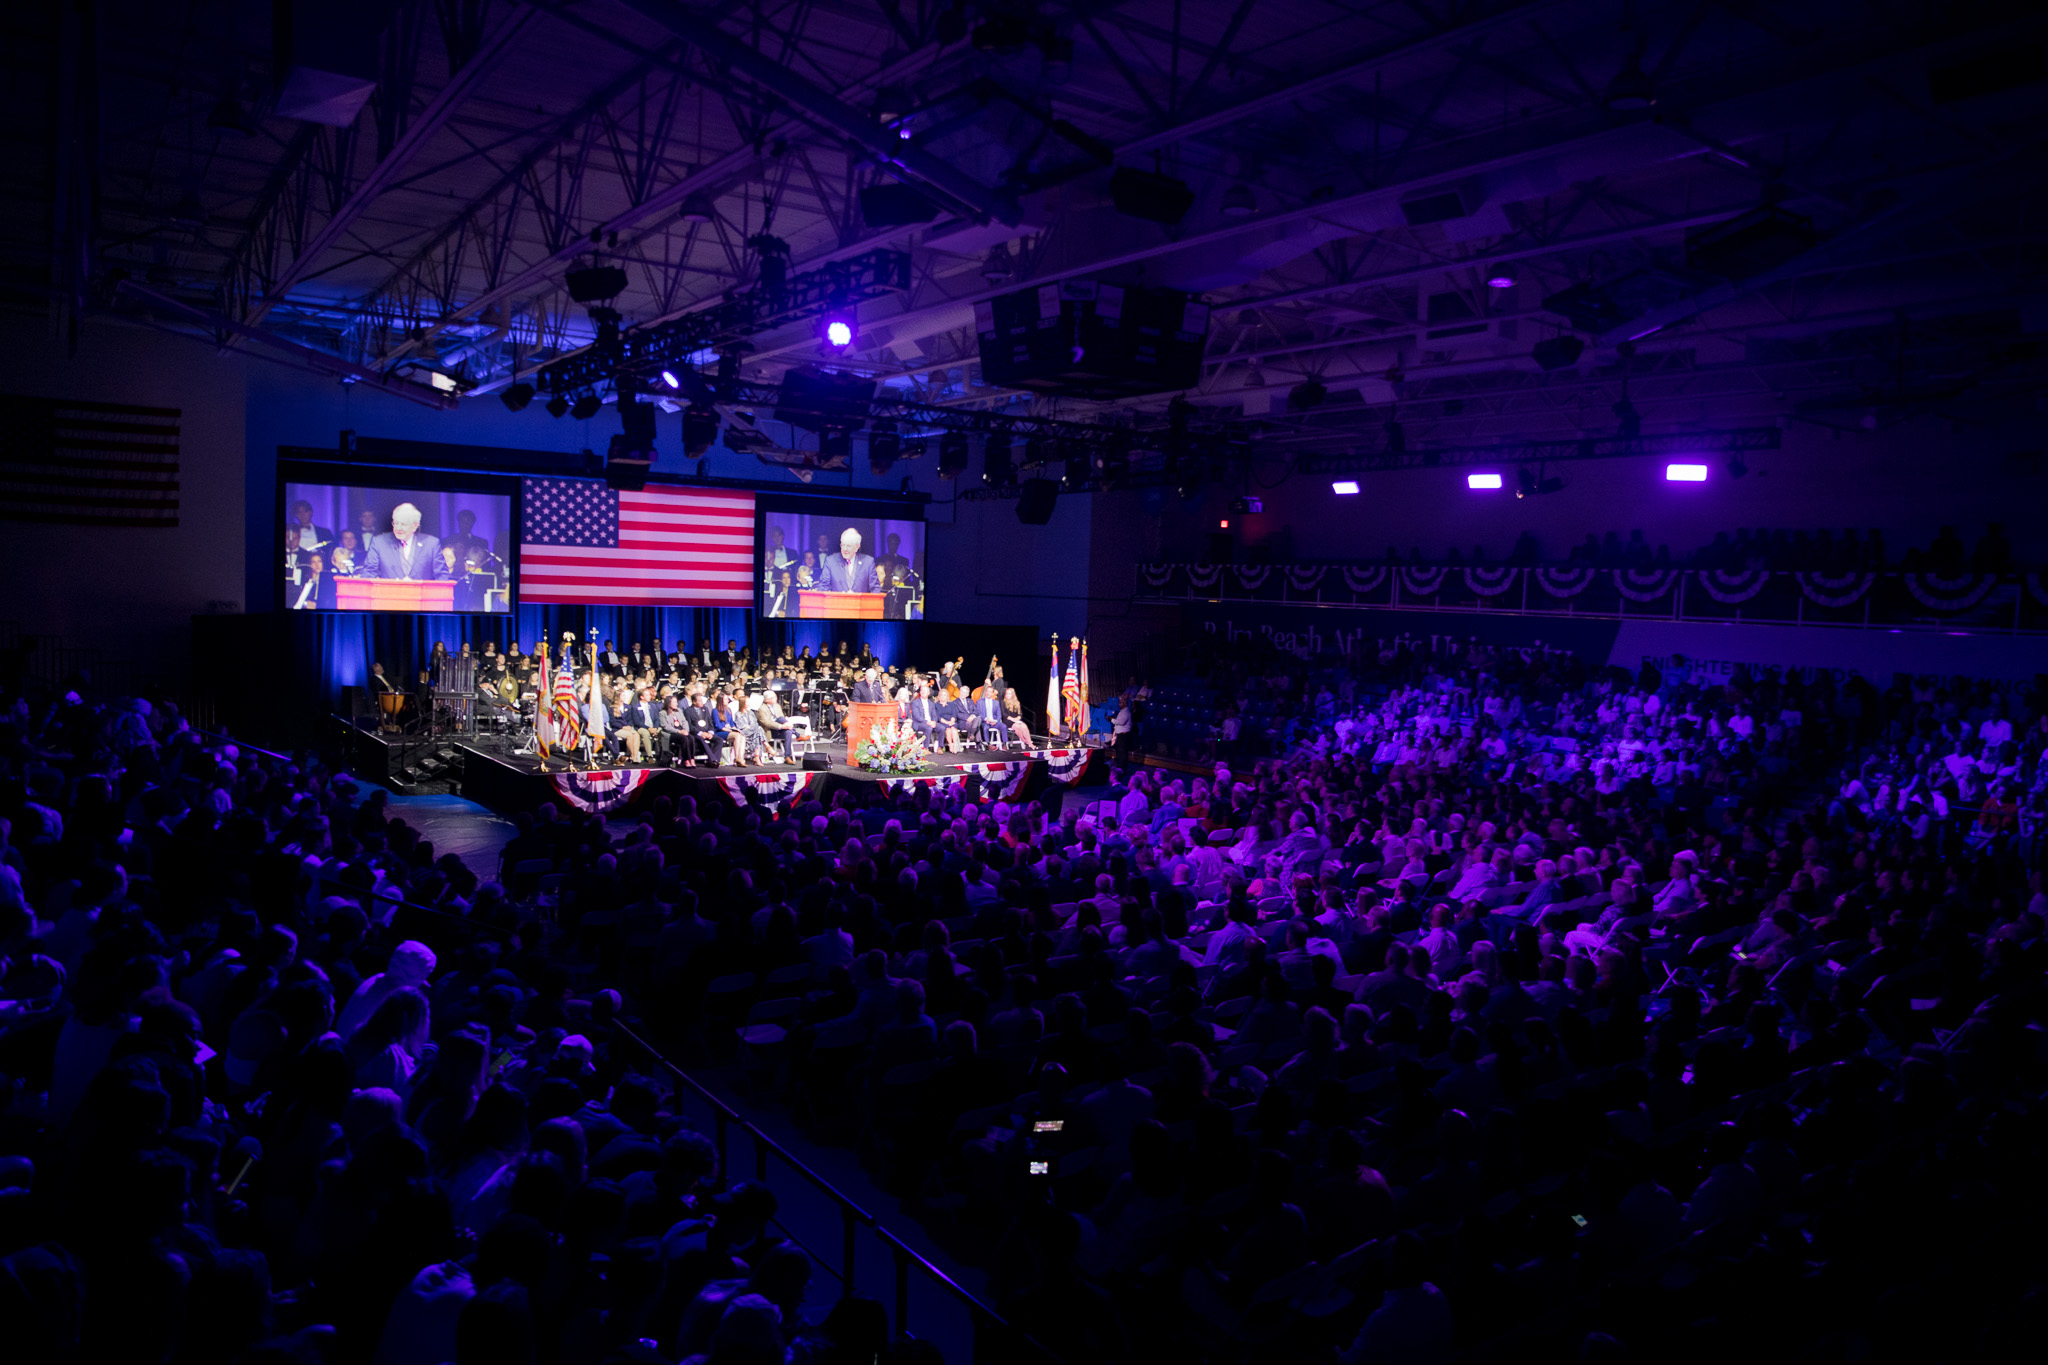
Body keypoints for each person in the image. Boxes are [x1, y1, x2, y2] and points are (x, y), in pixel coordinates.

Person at [362, 502, 449, 581]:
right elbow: (368, 573)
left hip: (422, 596)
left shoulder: (431, 544)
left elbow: (442, 576)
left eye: (403, 524)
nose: (398, 528)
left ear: (415, 526)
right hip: (388, 596)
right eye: (396, 523)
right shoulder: (379, 542)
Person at [817, 527, 879, 593]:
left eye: (848, 546)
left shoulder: (868, 562)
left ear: (857, 547)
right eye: (843, 545)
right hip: (837, 602)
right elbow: (823, 587)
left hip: (861, 603)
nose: (845, 549)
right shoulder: (831, 561)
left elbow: (875, 589)